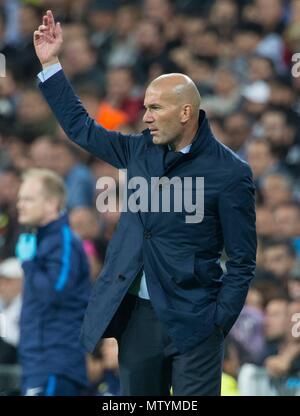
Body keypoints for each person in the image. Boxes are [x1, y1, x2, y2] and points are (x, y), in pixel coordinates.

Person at [32, 10, 256, 396]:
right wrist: (51, 64)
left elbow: (242, 260)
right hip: (137, 317)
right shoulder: (138, 150)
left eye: (156, 108)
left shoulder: (230, 173)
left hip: (195, 318)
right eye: (146, 107)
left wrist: (218, 321)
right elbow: (81, 128)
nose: (146, 116)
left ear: (186, 112)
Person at [16, 168, 91, 396]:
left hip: (55, 363)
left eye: (28, 199)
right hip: (36, 363)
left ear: (51, 203)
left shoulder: (64, 241)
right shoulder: (42, 240)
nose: (20, 204)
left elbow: (54, 293)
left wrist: (29, 264)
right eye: (20, 198)